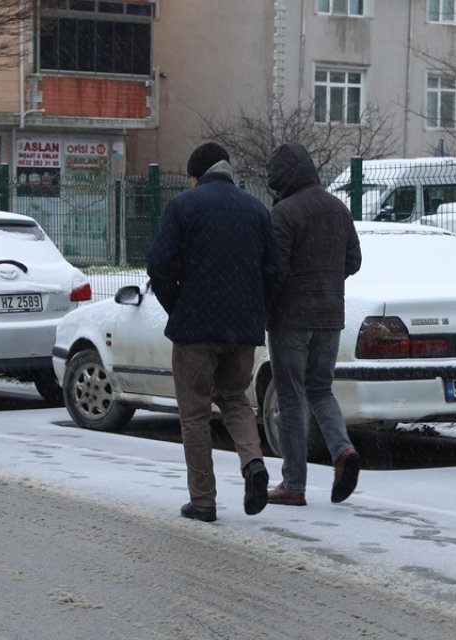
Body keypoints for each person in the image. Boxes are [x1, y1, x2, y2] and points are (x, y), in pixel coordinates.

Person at [147, 142, 285, 522]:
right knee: (236, 400)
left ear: (197, 175)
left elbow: (159, 265)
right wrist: (253, 310)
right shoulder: (256, 209)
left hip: (195, 330)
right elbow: (276, 272)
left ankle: (203, 500)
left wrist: (179, 306)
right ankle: (253, 463)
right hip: (241, 331)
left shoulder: (183, 206)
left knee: (194, 414)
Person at [263, 142, 363, 506]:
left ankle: (294, 484)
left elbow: (276, 270)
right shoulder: (338, 208)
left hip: (291, 319)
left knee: (290, 399)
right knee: (321, 391)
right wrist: (326, 280)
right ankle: (343, 451)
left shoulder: (283, 214)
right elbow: (354, 260)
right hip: (331, 316)